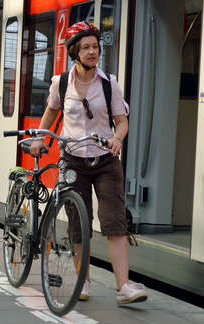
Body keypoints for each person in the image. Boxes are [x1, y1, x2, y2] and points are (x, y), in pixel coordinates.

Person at [30, 21, 147, 305]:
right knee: (78, 224)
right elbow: (50, 113)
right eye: (86, 47)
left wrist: (118, 138)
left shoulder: (110, 85)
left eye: (95, 46)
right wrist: (41, 139)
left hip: (105, 160)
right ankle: (84, 281)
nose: (93, 52)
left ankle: (124, 287)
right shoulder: (61, 83)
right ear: (74, 52)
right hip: (72, 160)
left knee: (114, 222)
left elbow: (122, 121)